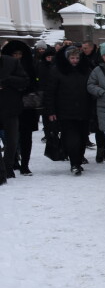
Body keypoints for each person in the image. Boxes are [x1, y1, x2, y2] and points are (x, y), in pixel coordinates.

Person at [44, 46, 92, 175]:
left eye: (77, 58)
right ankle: (74, 163)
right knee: (71, 137)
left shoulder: (86, 70)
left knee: (82, 137)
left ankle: (78, 159)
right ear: (67, 58)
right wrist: (51, 111)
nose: (75, 61)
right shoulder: (57, 71)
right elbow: (50, 92)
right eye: (72, 58)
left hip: (84, 109)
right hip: (65, 110)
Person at [1, 41, 38, 177]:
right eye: (14, 54)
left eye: (19, 54)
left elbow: (29, 82)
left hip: (22, 106)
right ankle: (9, 165)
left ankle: (21, 165)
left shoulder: (25, 65)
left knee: (20, 137)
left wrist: (8, 81)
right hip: (9, 105)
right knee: (10, 138)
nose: (17, 57)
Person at [0, 49, 29, 183]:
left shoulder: (11, 62)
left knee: (12, 141)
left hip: (10, 107)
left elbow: (24, 81)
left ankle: (8, 166)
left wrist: (7, 80)